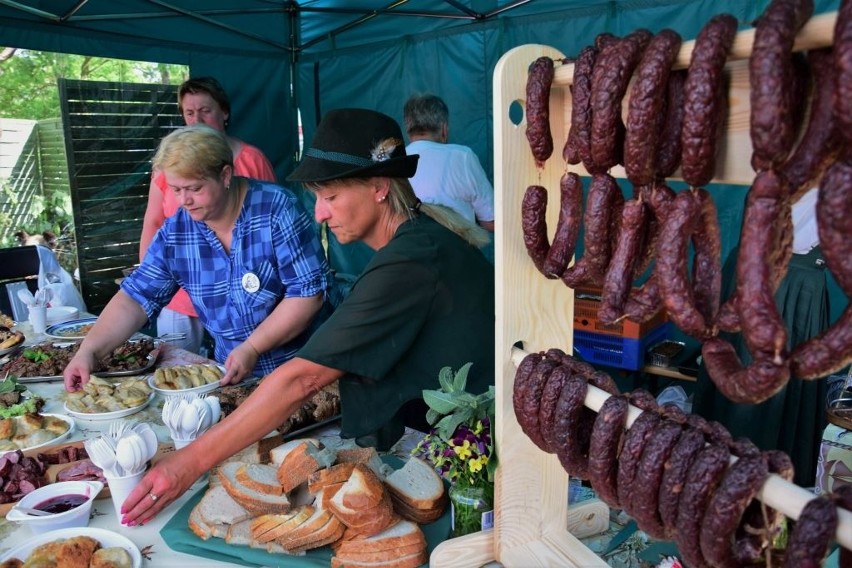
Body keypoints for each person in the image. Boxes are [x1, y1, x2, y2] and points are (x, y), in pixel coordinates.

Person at [118, 108, 495, 525]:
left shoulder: (411, 259)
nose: (319, 214)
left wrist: (187, 462)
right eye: (317, 198)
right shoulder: (420, 237)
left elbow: (303, 380)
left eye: (330, 197)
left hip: (472, 460)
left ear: (380, 187)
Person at [64, 124, 335, 390]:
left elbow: (307, 294)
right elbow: (135, 298)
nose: (184, 201)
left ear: (226, 175)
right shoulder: (177, 232)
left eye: (194, 188)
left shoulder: (277, 209)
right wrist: (89, 351)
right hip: (234, 375)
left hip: (306, 368)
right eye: (176, 189)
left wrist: (253, 347)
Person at [140, 76, 276, 354]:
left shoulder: (251, 159)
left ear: (224, 112)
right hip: (180, 295)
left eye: (205, 110)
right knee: (178, 373)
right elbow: (154, 222)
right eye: (189, 112)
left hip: (244, 297)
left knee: (239, 375)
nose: (197, 119)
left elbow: (271, 228)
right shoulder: (169, 164)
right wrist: (149, 279)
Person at [403, 93, 495, 232]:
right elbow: (491, 222)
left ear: (408, 130)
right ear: (444, 129)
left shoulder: (394, 162)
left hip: (406, 250)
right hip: (458, 250)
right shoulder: (463, 157)